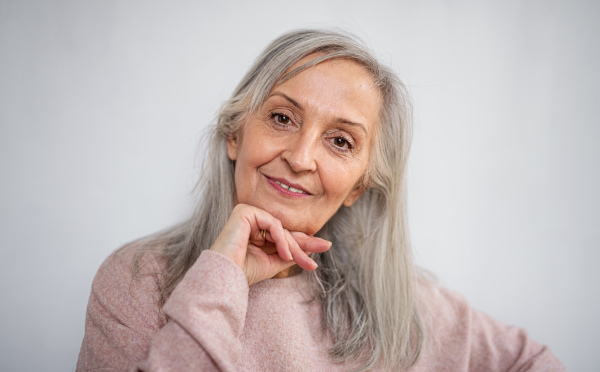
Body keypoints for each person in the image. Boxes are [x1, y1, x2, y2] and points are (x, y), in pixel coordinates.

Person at [76, 29, 566, 371]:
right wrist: (222, 277)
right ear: (234, 135)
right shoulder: (139, 280)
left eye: (340, 142)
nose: (301, 156)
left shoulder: (402, 308)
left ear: (358, 187)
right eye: (283, 118)